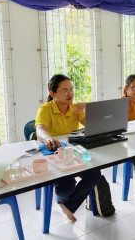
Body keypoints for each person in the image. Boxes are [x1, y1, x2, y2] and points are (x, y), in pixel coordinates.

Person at [35, 74, 101, 222]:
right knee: (66, 180)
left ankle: (68, 205)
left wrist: (86, 111)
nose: (70, 94)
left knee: (95, 173)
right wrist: (48, 138)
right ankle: (65, 201)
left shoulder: (74, 108)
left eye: (71, 90)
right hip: (54, 153)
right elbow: (40, 130)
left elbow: (92, 128)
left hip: (73, 151)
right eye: (65, 90)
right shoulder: (45, 109)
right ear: (52, 93)